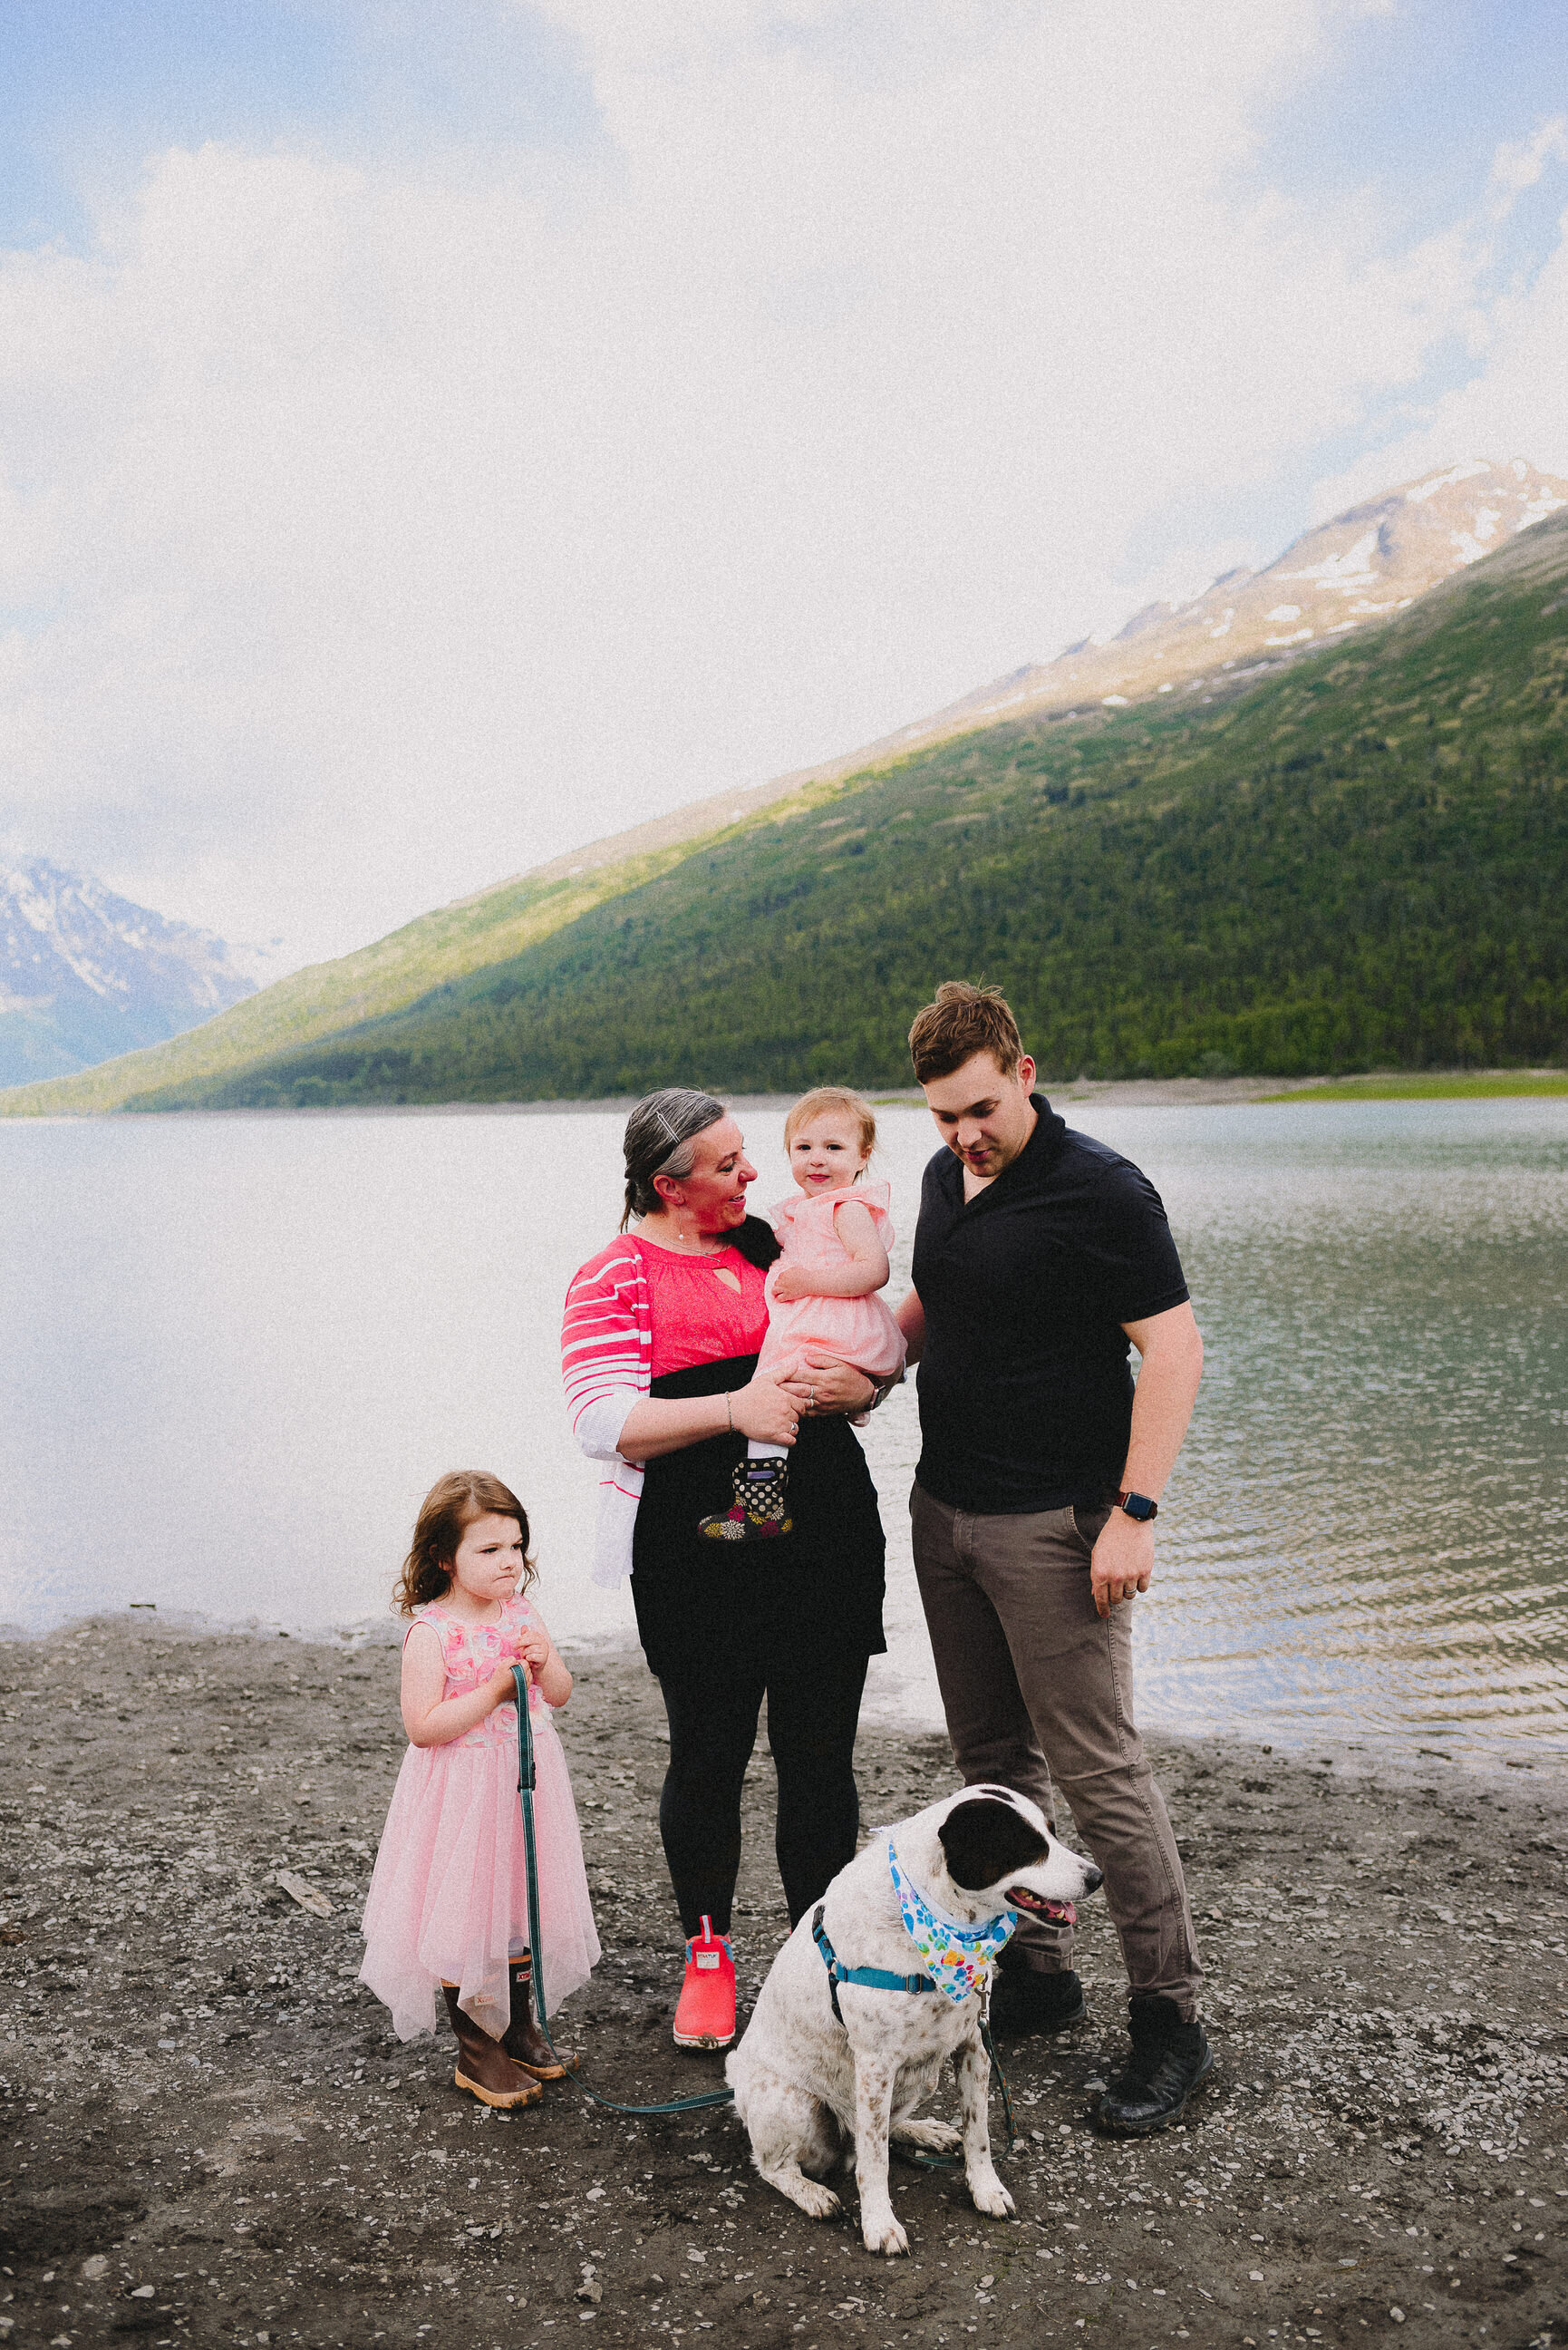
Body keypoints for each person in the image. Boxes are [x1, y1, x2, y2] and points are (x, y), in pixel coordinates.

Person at [895, 983, 1212, 2136]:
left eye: (979, 1106)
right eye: (941, 1116)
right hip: (945, 1513)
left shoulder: (1102, 1190)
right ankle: (1034, 1972)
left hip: (1057, 1525)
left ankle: (1170, 2020)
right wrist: (873, 1365)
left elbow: (1171, 1353)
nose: (963, 1134)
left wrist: (1133, 1512)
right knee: (988, 1757)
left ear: (1023, 1071)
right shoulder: (940, 1178)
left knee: (1099, 1774)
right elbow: (940, 1300)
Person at [561, 1088, 892, 2052]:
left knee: (818, 1758)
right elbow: (597, 1421)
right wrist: (735, 1408)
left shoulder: (773, 1248)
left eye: (750, 1155)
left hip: (824, 1528)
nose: (756, 1175)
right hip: (692, 1544)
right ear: (668, 1185)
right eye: (728, 1165)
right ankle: (707, 1956)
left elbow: (866, 1337)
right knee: (707, 1754)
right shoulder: (612, 1276)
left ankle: (814, 1959)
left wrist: (869, 1383)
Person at [359, 1471, 600, 2110]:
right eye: (489, 1551)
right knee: (468, 1910)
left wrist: (546, 1663)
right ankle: (475, 2047)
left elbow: (561, 1695)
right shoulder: (431, 1632)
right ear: (444, 1557)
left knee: (518, 1902)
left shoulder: (521, 1612)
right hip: (463, 1793)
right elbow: (423, 1726)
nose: (510, 1564)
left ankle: (518, 2027)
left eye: (516, 1547)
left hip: (528, 1783)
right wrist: (492, 1690)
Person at [699, 1085, 906, 1541]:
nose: (817, 1159)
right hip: (815, 1324)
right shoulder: (806, 1210)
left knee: (770, 1396)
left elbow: (874, 1270)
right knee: (776, 1399)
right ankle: (764, 1500)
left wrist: (809, 1282)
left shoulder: (846, 1207)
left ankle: (760, 1508)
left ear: (862, 1155)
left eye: (833, 1148)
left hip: (830, 1327)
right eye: (804, 1147)